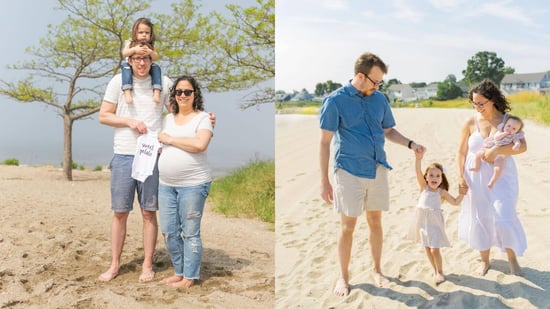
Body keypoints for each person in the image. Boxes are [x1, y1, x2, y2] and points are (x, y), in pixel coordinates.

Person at [319, 52, 426, 296]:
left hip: (378, 168)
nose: (378, 87)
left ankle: (377, 270)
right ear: (360, 75)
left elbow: (388, 130)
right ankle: (343, 278)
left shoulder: (379, 99)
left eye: (381, 83)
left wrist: (411, 144)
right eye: (375, 81)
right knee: (348, 226)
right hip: (348, 170)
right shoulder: (335, 101)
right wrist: (324, 182)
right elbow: (324, 142)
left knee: (376, 222)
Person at [98, 52, 172, 283]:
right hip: (123, 154)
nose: (142, 63)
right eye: (137, 58)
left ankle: (147, 265)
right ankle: (114, 264)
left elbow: (178, 113)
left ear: (152, 60)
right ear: (130, 60)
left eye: (146, 58)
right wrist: (129, 121)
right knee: (120, 212)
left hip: (152, 155)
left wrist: (204, 119)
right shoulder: (118, 81)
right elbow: (104, 116)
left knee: (149, 212)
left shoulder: (165, 82)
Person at [457, 78, 527, 276]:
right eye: (474, 103)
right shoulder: (470, 121)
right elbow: (461, 152)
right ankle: (485, 260)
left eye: (481, 103)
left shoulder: (509, 121)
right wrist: (460, 177)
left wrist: (497, 150)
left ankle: (512, 259)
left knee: (504, 216)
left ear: (493, 100)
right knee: (480, 217)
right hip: (474, 176)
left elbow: (522, 147)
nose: (477, 107)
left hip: (503, 176)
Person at [157, 75, 213, 288]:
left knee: (190, 233)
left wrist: (170, 140)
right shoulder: (167, 119)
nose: (182, 95)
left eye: (187, 92)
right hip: (166, 185)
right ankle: (179, 271)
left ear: (194, 94)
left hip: (194, 184)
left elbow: (200, 144)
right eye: (178, 92)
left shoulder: (203, 118)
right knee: (169, 231)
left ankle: (190, 276)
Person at [408, 151, 465, 285]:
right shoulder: (424, 187)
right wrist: (418, 159)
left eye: (438, 176)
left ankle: (440, 271)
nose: (434, 178)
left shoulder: (442, 192)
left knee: (435, 249)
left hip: (434, 223)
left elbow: (456, 202)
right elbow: (417, 170)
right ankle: (434, 270)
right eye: (431, 175)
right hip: (422, 222)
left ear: (441, 178)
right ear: (426, 177)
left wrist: (462, 193)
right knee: (427, 248)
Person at [469, 115, 524, 188]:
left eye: (514, 129)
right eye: (508, 126)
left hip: (501, 154)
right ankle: (477, 166)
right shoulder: (500, 132)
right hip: (491, 147)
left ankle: (492, 181)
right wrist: (504, 133)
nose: (510, 129)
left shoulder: (514, 137)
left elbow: (517, 142)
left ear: (517, 131)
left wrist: (516, 145)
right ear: (504, 125)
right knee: (478, 154)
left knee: (498, 168)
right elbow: (496, 138)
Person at [121, 17, 162, 104]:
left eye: (147, 33)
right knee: (125, 68)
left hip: (146, 67)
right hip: (130, 65)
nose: (144, 35)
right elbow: (124, 53)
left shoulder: (150, 45)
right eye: (141, 32)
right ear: (135, 33)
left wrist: (150, 52)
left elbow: (155, 57)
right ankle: (127, 91)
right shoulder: (130, 42)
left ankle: (156, 91)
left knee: (156, 68)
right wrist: (134, 50)